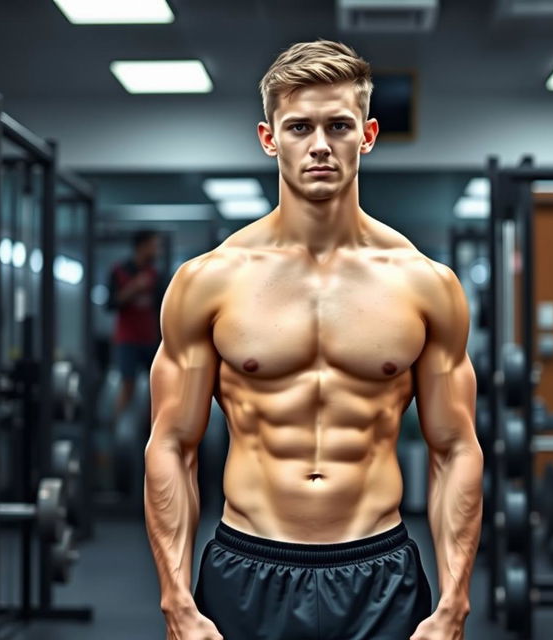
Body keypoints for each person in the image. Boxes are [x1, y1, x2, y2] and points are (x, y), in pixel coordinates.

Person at [144, 39, 483, 640]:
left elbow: (454, 448)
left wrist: (454, 602)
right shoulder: (208, 282)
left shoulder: (427, 285)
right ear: (269, 137)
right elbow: (172, 444)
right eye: (299, 126)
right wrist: (175, 597)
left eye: (339, 125)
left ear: (368, 134)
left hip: (380, 571)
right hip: (246, 566)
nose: (320, 145)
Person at [107, 229, 164, 419]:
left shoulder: (155, 275)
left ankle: (151, 434)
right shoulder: (119, 271)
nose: (157, 250)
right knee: (128, 387)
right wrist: (133, 289)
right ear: (142, 247)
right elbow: (110, 304)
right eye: (154, 246)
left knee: (157, 388)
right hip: (128, 339)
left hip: (150, 339)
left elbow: (161, 307)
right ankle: (113, 437)